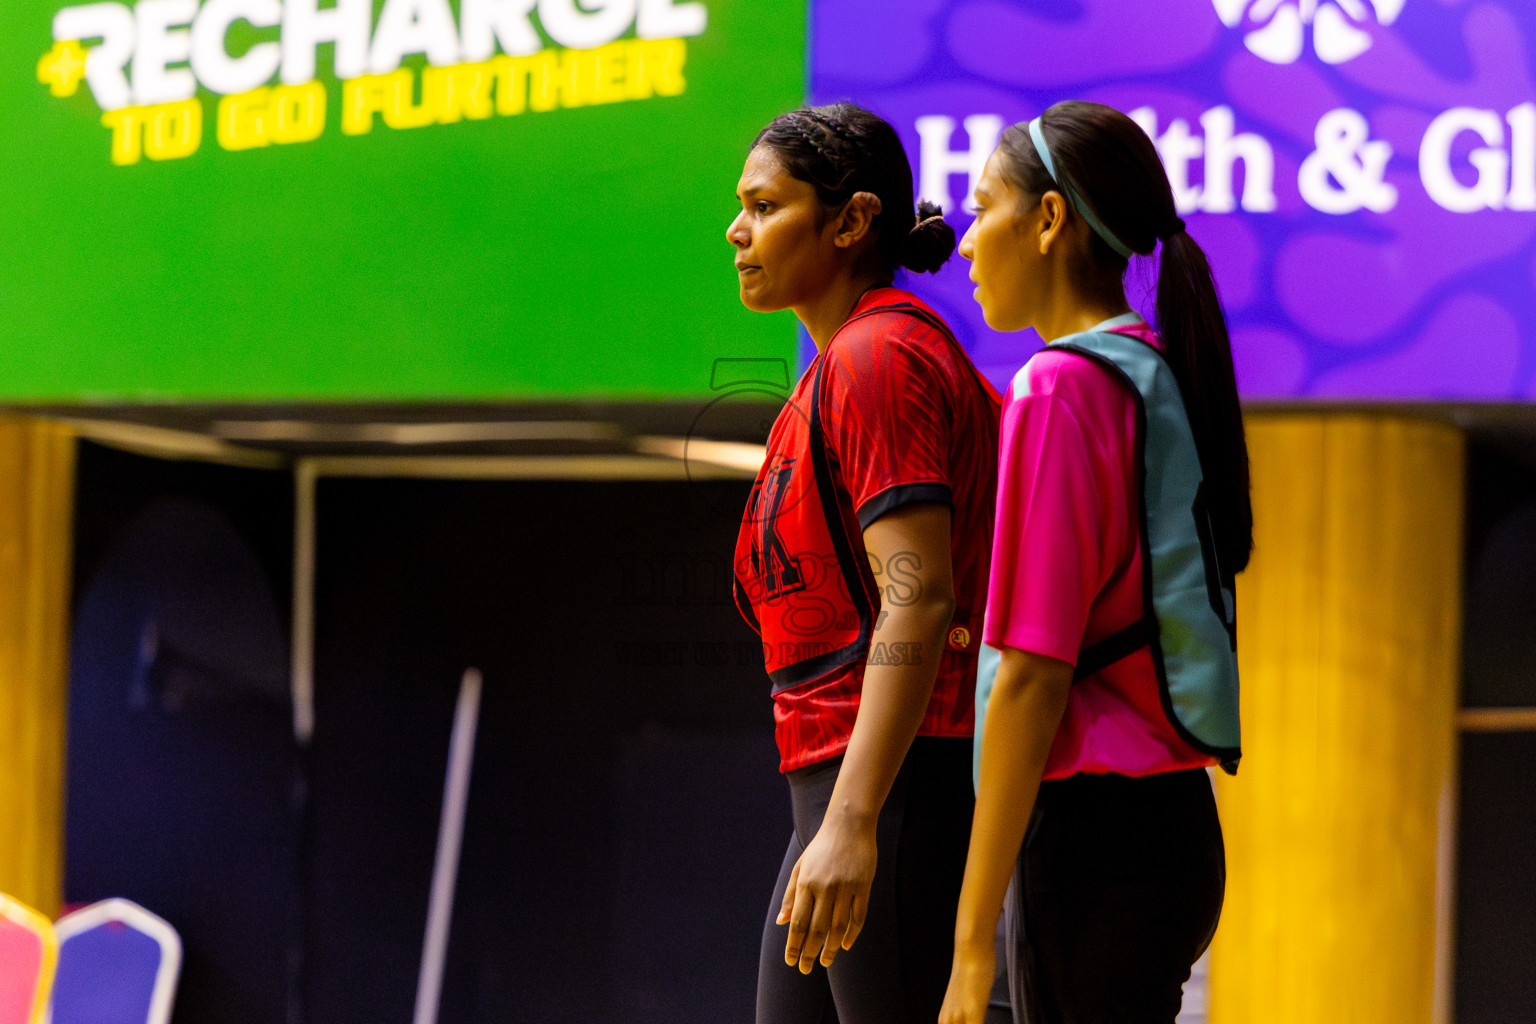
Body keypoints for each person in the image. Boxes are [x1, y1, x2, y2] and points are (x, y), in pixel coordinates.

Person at [939, 101, 1254, 1024]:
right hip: (1172, 828)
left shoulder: (1058, 386)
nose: (966, 242)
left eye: (983, 207)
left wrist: (970, 945)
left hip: (1093, 847)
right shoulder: (1148, 368)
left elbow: (1031, 676)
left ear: (1048, 220)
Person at [727, 102, 1003, 1024]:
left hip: (896, 785)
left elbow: (918, 598)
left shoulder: (880, 355)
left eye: (766, 206)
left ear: (851, 221)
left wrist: (855, 819)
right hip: (849, 784)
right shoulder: (841, 363)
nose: (737, 231)